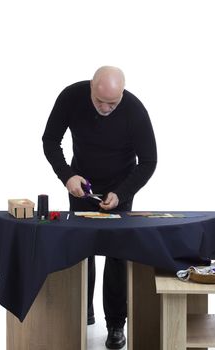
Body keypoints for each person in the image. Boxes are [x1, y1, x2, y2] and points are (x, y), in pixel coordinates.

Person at [42, 66, 157, 349]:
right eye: (99, 102)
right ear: (91, 88)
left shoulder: (134, 111)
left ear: (122, 95)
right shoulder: (71, 97)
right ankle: (84, 312)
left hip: (120, 190)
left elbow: (149, 161)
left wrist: (122, 193)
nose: (106, 109)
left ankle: (116, 324)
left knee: (117, 255)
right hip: (81, 185)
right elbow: (50, 141)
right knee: (83, 249)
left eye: (112, 104)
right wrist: (67, 176)